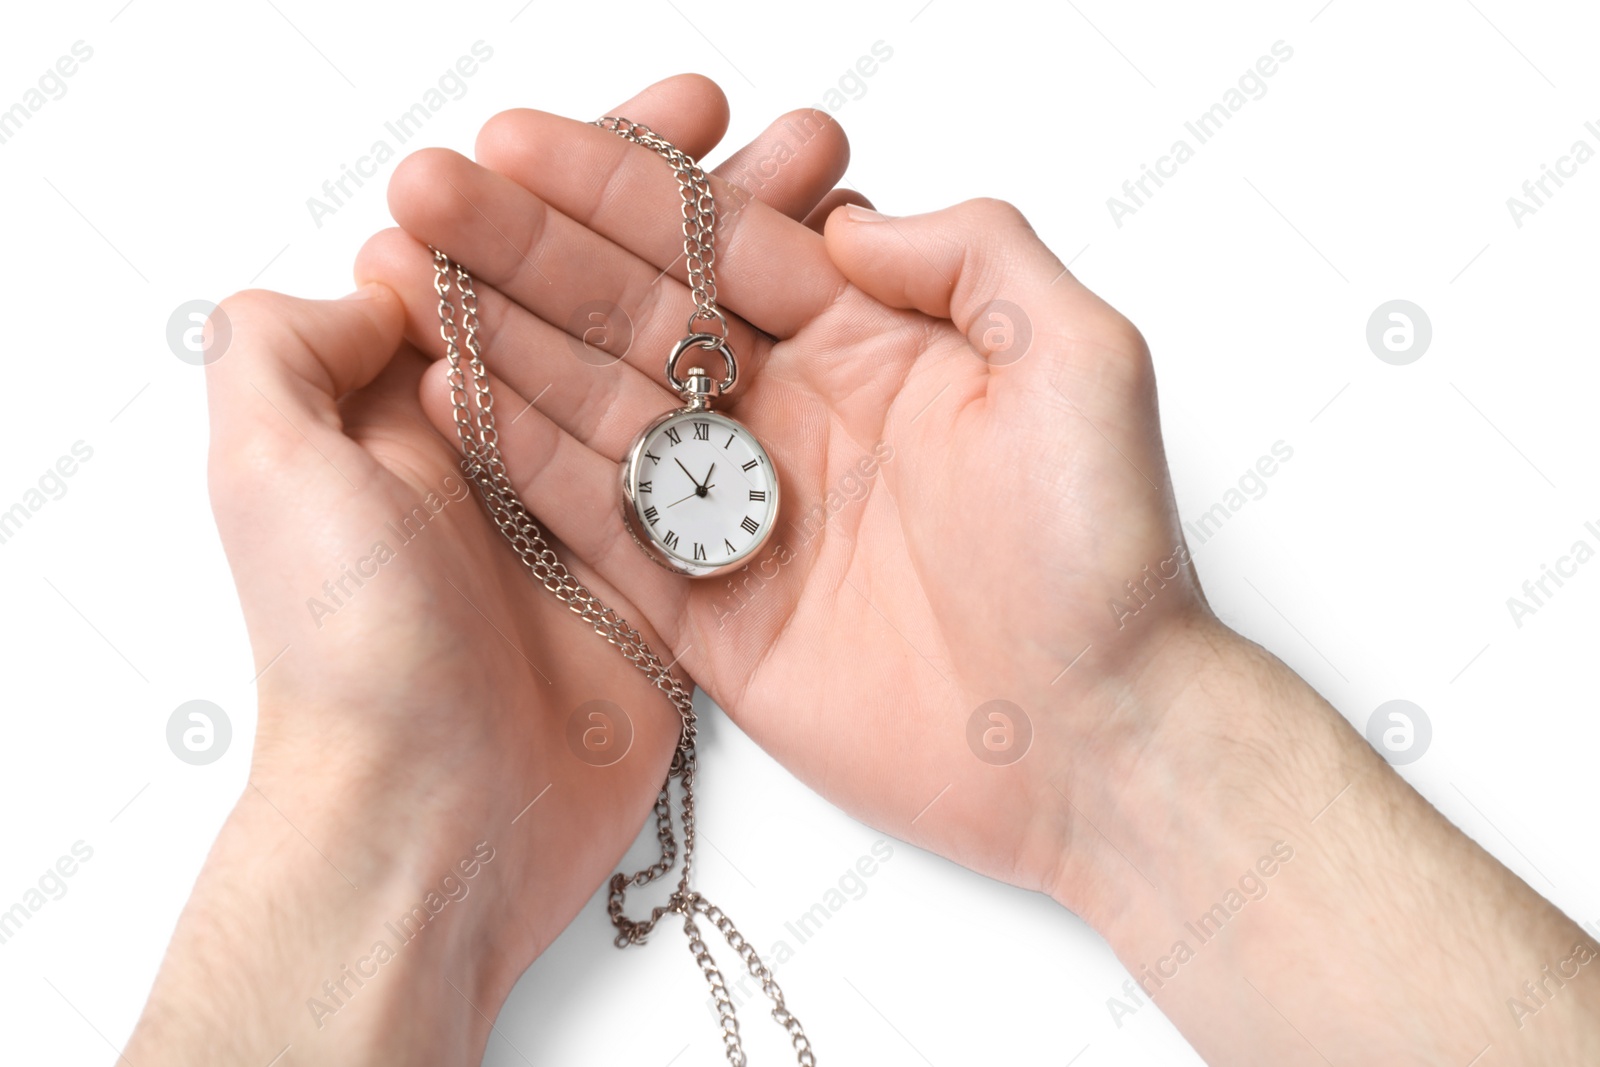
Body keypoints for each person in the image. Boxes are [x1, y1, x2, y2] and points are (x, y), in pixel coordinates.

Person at [126, 74, 1600, 1065]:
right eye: (693, 484)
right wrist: (407, 787)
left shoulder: (732, 462)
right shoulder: (678, 471)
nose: (702, 484)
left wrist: (1117, 715)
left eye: (707, 478)